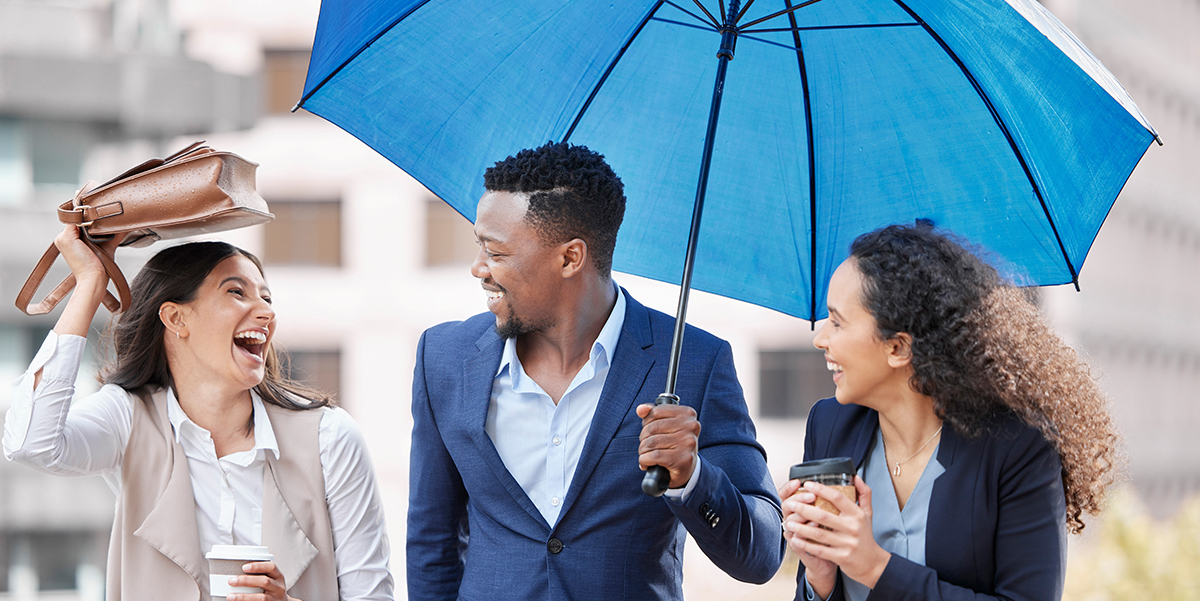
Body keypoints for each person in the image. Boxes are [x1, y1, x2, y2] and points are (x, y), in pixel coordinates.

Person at [406, 141, 785, 600]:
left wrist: (692, 478)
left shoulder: (693, 363)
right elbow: (433, 542)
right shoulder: (443, 357)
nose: (478, 268)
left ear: (570, 258)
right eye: (479, 247)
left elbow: (762, 554)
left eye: (497, 252)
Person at [3, 227, 394, 601]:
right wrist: (89, 284)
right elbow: (29, 443)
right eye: (236, 293)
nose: (264, 313)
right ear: (176, 319)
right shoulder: (129, 416)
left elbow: (371, 594)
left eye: (267, 298)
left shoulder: (329, 437)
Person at [778, 223, 1120, 601]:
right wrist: (819, 579)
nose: (820, 338)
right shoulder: (829, 426)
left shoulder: (1018, 446)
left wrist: (874, 567)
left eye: (837, 322)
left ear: (898, 349)